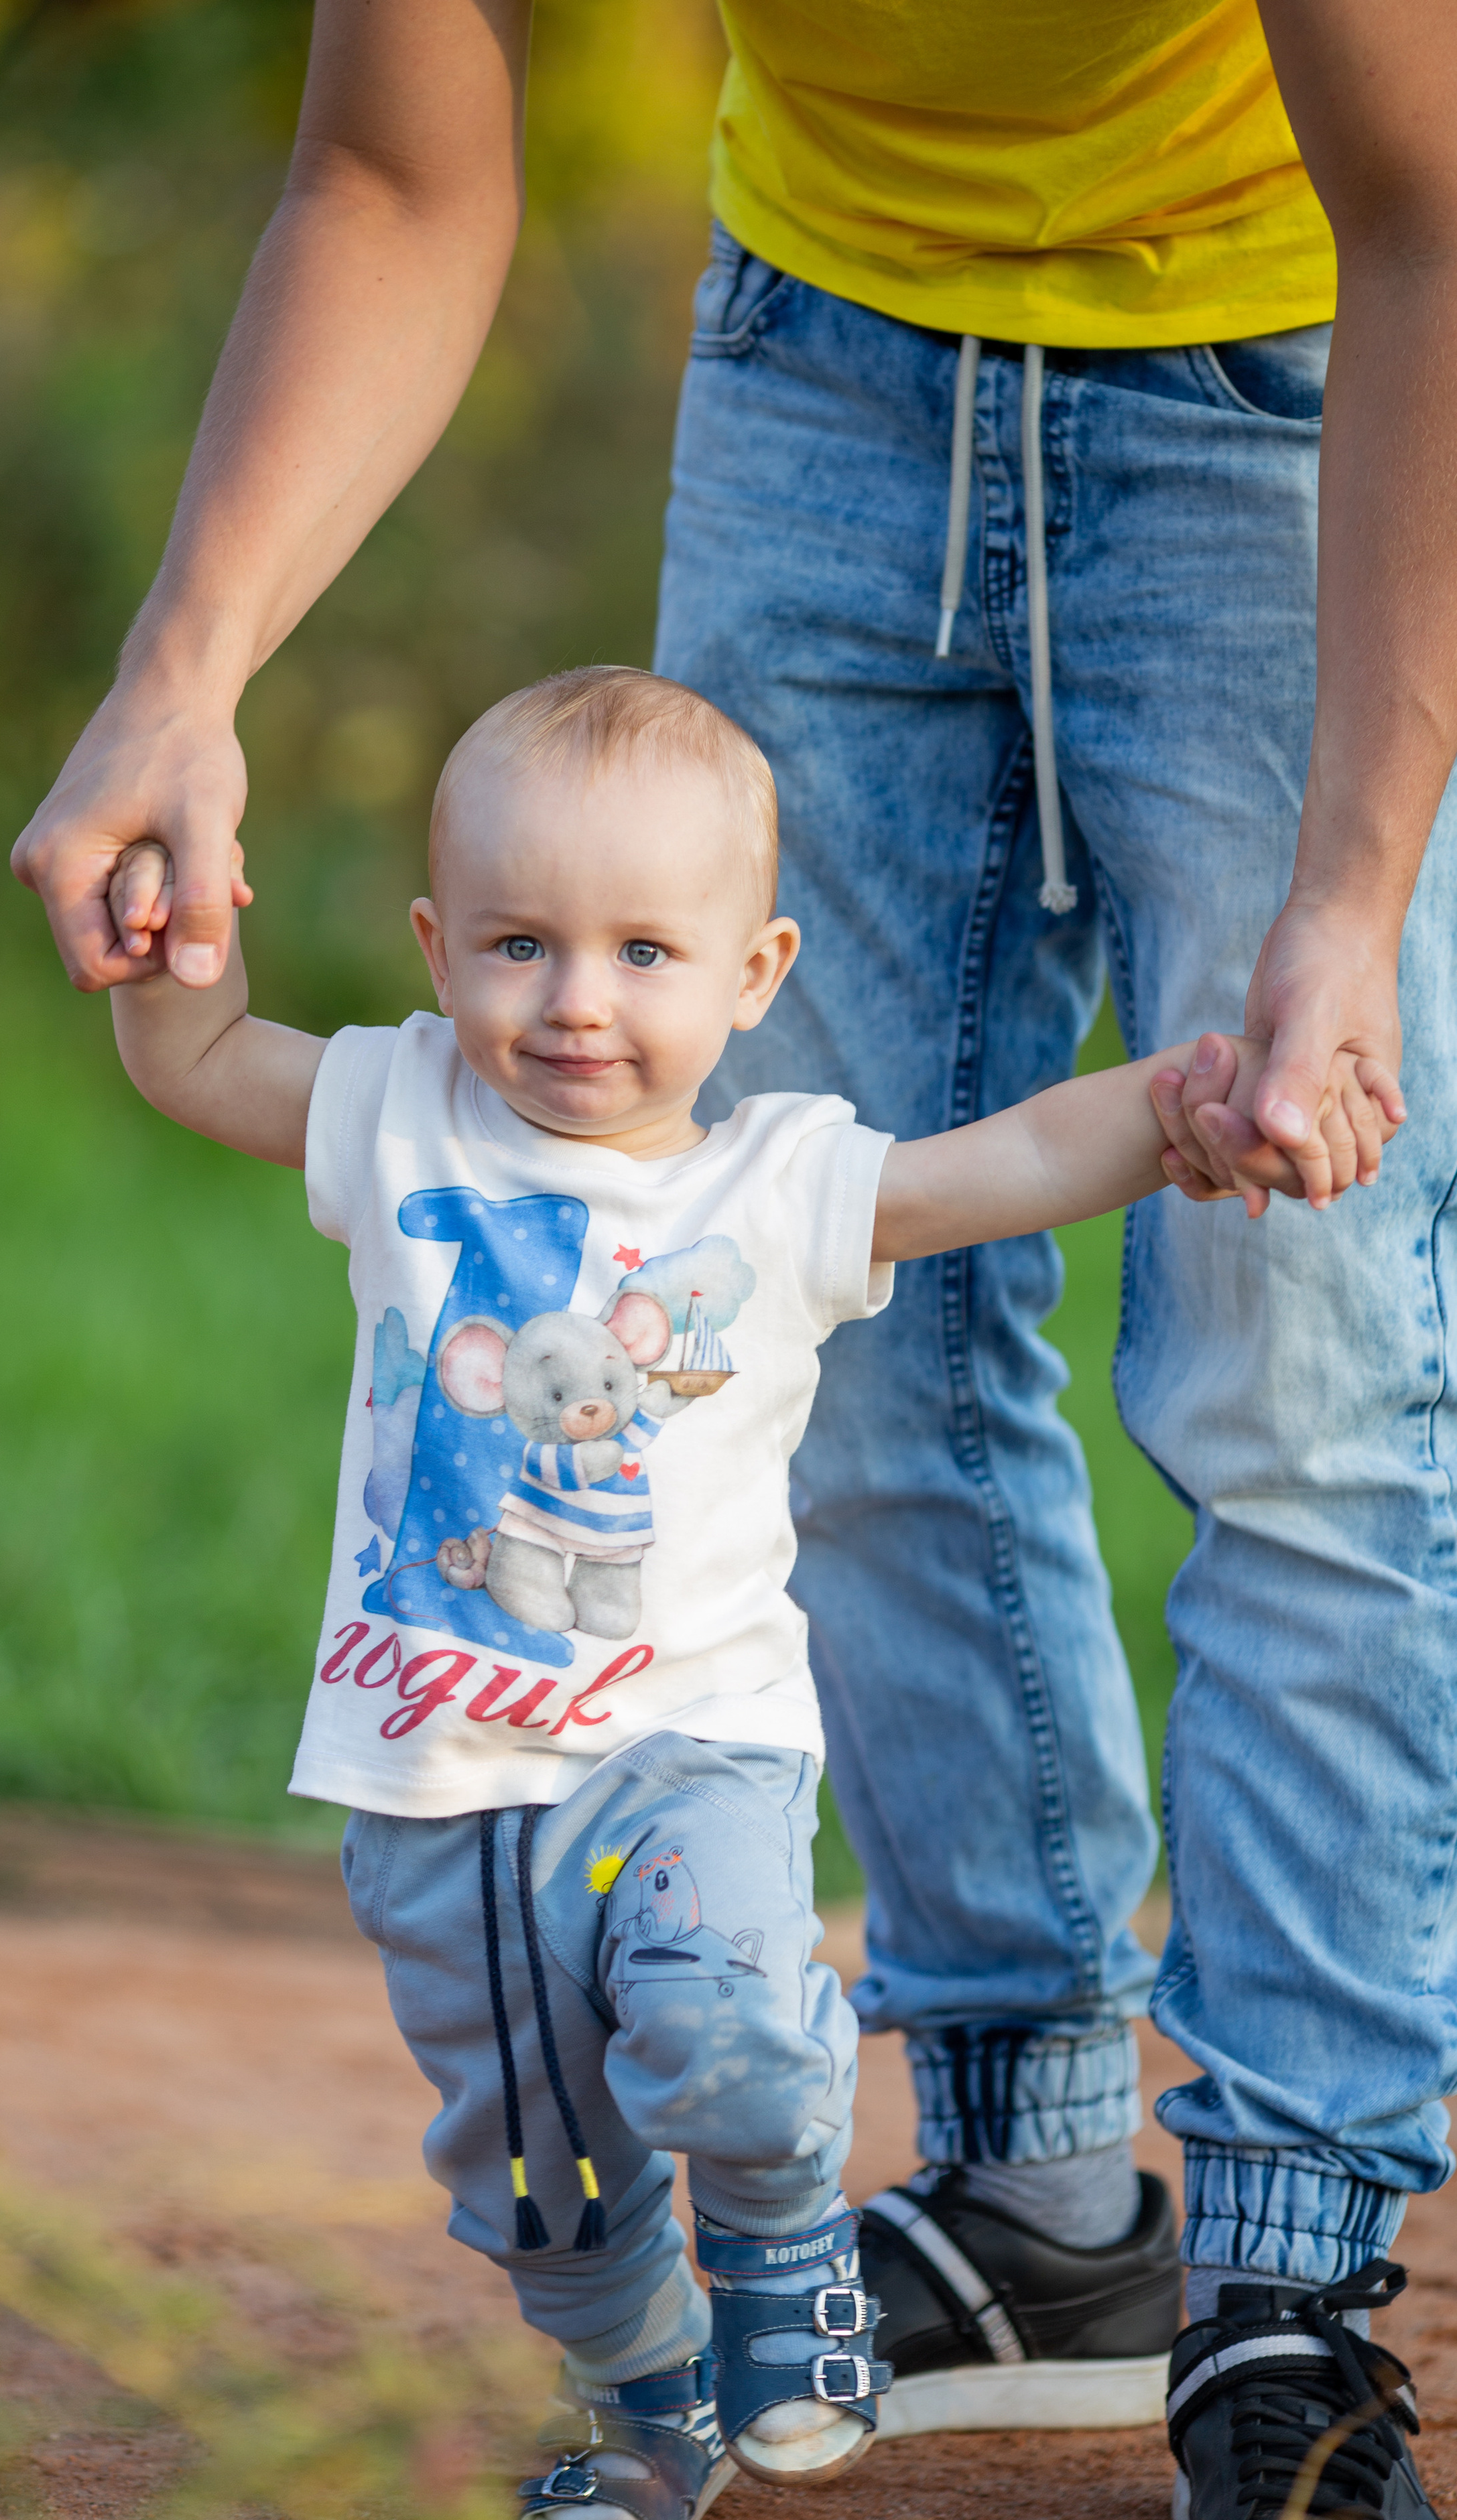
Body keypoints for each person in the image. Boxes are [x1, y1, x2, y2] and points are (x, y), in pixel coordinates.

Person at [11, 7, 1457, 2512]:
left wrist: (1353, 886)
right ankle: (1037, 2177)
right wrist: (187, 666)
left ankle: (1294, 2258)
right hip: (821, 371)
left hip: (1302, 368)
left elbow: (1439, 206)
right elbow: (395, 169)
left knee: (1302, 1364)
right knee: (834, 1353)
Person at [97, 664, 1404, 2516]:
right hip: (437, 1791)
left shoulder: (772, 1185)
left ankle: (790, 2263)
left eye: (646, 951)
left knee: (726, 2026)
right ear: (434, 944)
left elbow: (1011, 1159)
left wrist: (1172, 1100)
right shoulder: (398, 1113)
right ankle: (650, 2428)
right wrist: (171, 925)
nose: (576, 1001)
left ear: (755, 972)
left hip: (686, 1754)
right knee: (542, 2192)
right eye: (519, 943)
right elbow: (197, 1061)